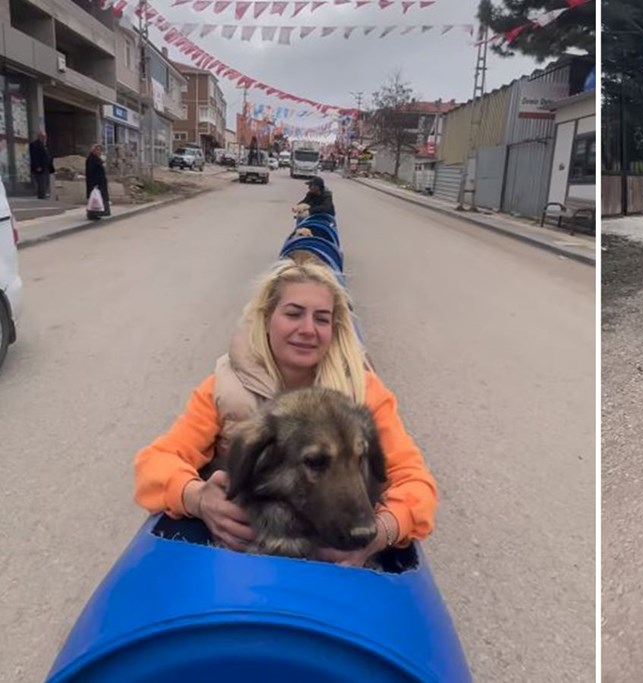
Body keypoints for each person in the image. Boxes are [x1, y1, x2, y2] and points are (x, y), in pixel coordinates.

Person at [132, 260, 437, 566]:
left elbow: (416, 484)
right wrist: (197, 499)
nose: (307, 330)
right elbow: (154, 463)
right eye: (293, 314)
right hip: (240, 561)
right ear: (266, 319)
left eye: (322, 319)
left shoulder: (362, 391)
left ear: (334, 328)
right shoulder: (223, 389)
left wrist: (379, 535)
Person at [85, 144, 111, 219]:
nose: (98, 151)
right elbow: (91, 172)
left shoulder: (97, 158)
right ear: (93, 150)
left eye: (99, 150)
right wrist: (94, 184)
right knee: (95, 198)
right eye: (97, 150)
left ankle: (100, 213)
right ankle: (93, 214)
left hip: (100, 182)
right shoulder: (91, 159)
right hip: (95, 183)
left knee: (100, 198)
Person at [30, 131, 55, 200]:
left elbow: (48, 156)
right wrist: (37, 166)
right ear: (39, 137)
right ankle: (41, 195)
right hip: (40, 167)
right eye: (43, 137)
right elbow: (35, 156)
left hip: (46, 167)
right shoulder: (35, 145)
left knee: (45, 181)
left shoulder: (44, 145)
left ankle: (44, 194)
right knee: (41, 182)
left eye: (45, 137)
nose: (44, 138)